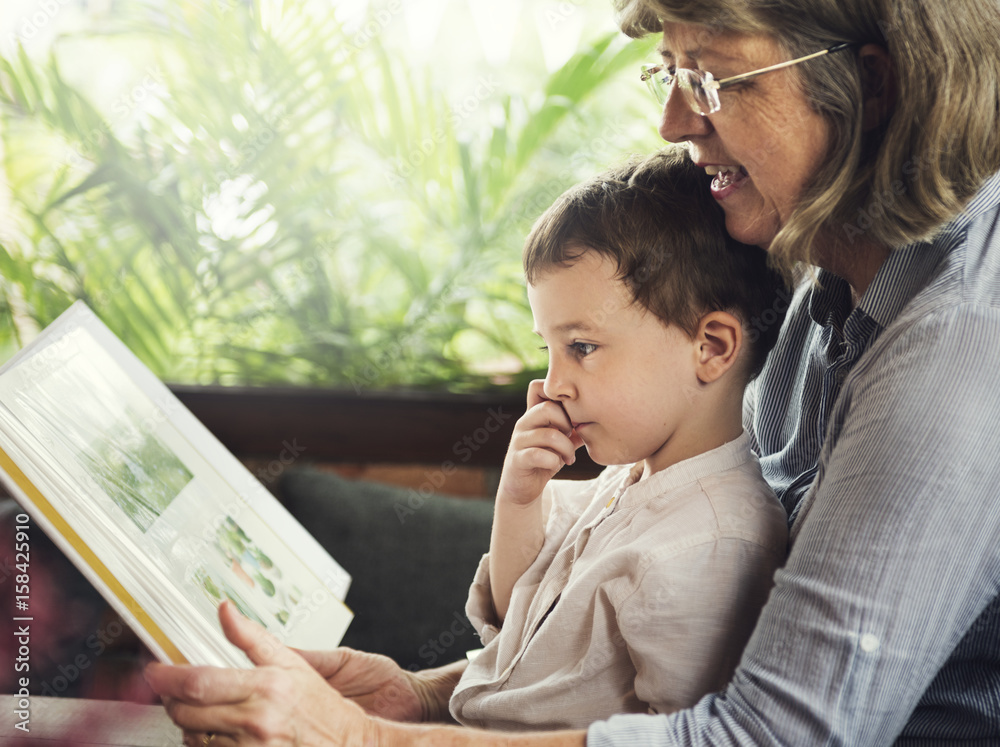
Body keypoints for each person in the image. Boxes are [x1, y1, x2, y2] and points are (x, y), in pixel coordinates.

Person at [146, 0, 1000, 744]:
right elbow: (628, 672)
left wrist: (357, 738)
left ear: (872, 86)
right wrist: (419, 698)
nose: (672, 120)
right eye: (669, 71)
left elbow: (762, 734)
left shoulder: (956, 350)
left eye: (713, 77)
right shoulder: (813, 273)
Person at [448, 151, 788, 730]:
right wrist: (520, 501)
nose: (554, 384)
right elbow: (515, 624)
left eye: (582, 347)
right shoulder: (629, 478)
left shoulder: (710, 545)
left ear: (710, 347)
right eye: (547, 349)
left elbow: (683, 738)